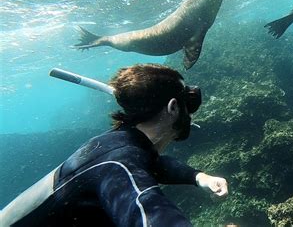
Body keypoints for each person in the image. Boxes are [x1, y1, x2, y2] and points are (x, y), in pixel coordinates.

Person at [0, 64, 228, 227]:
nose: (191, 113)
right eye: (188, 103)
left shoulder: (120, 143)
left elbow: (152, 164)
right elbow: (147, 210)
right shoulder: (118, 163)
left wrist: (199, 178)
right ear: (173, 108)